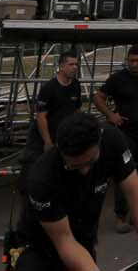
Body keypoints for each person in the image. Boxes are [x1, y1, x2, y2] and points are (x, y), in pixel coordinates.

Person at [15, 112, 138, 270]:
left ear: (99, 142)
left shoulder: (112, 140)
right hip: (42, 246)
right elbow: (64, 240)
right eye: (74, 166)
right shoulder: (42, 178)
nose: (84, 170)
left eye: (90, 161)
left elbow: (133, 192)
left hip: (83, 235)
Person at [93, 44, 138, 231]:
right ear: (127, 61)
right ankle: (120, 216)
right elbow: (98, 98)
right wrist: (111, 115)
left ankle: (137, 210)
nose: (133, 64)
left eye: (137, 60)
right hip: (125, 134)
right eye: (130, 61)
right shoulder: (118, 79)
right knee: (125, 173)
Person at [22, 51, 86, 182]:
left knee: (64, 171)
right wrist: (47, 142)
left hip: (63, 136)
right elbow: (41, 116)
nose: (75, 67)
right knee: (38, 171)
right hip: (44, 137)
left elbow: (77, 109)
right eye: (71, 64)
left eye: (76, 65)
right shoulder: (49, 88)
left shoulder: (76, 85)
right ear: (61, 66)